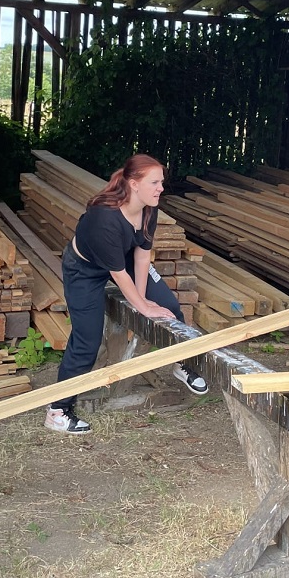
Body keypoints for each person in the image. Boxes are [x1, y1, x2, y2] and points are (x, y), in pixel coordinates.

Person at [46, 154, 208, 434]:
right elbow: (119, 274)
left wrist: (144, 301)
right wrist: (143, 308)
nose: (161, 188)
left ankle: (181, 363)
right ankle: (58, 410)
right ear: (134, 184)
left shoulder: (148, 208)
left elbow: (142, 257)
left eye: (161, 182)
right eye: (155, 182)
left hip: (124, 260)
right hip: (84, 269)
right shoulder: (104, 219)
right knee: (87, 339)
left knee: (170, 306)